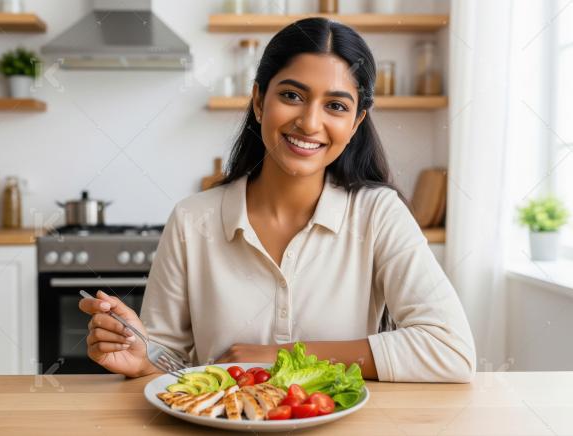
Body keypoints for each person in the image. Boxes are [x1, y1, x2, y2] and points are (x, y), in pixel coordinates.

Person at [79, 17, 476, 383]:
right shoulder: (191, 220)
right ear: (258, 100)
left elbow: (451, 349)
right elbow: (173, 363)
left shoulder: (378, 213)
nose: (309, 122)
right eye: (292, 95)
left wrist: (280, 356)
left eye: (336, 106)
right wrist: (142, 357)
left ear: (356, 123)